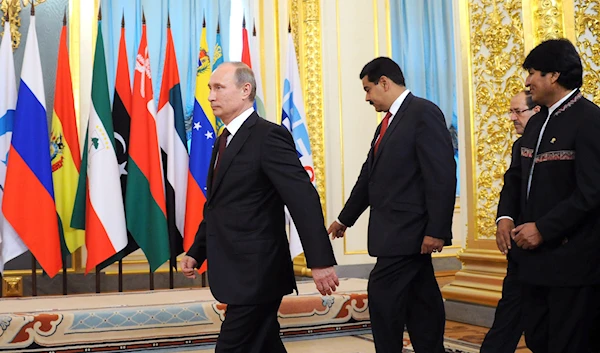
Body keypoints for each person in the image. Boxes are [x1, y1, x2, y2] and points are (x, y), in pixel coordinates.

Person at [180, 62, 339, 353]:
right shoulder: (222, 140)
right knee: (264, 345)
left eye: (218, 88)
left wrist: (319, 260)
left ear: (245, 90)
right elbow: (219, 206)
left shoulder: (268, 136)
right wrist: (196, 251)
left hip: (258, 272)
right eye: (209, 89)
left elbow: (303, 198)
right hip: (239, 271)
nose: (211, 96)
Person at [328, 57, 456, 353]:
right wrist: (345, 219)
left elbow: (442, 175)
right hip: (396, 235)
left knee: (383, 298)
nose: (366, 97)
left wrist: (436, 230)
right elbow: (368, 178)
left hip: (408, 234)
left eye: (368, 89)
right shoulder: (387, 123)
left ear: (384, 82)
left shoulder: (423, 113)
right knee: (422, 305)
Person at [500, 38, 600, 353]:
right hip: (531, 262)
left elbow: (591, 192)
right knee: (538, 340)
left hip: (572, 264)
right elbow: (515, 177)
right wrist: (506, 217)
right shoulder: (537, 121)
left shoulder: (589, 120)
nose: (527, 81)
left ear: (553, 76)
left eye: (533, 72)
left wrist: (543, 229)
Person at [480, 91, 540, 353]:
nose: (512, 118)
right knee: (507, 317)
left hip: (555, 245)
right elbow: (511, 185)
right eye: (511, 111)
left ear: (536, 112)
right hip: (521, 248)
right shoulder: (520, 145)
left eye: (518, 112)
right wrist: (504, 218)